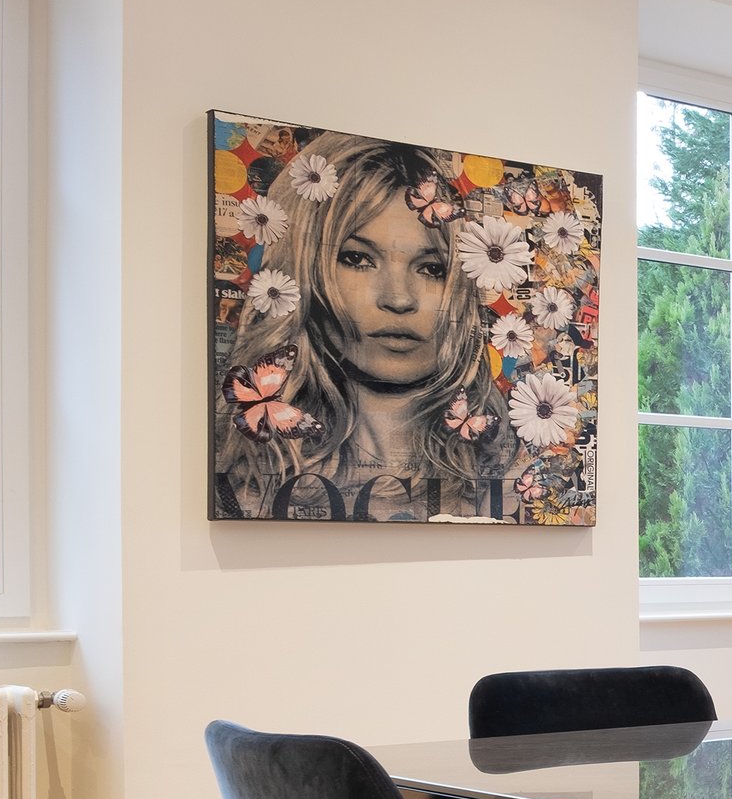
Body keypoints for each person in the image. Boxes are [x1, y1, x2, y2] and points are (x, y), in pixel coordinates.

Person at [211, 132, 513, 521]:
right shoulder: (239, 472)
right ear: (303, 273)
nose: (399, 298)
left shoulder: (512, 469)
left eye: (431, 268)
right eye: (357, 259)